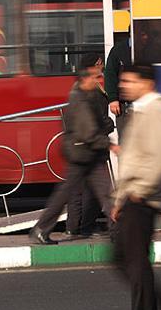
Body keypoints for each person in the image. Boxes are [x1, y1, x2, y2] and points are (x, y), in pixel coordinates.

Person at [111, 64, 161, 310]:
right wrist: (119, 198)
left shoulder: (157, 111)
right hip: (131, 196)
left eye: (129, 81)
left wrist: (139, 192)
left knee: (135, 264)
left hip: (142, 198)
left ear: (147, 83)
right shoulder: (140, 111)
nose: (123, 85)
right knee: (124, 259)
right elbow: (132, 159)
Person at [30, 56, 115, 245]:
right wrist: (110, 143)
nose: (97, 80)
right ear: (85, 79)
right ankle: (42, 228)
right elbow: (90, 131)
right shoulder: (81, 100)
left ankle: (117, 229)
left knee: (101, 192)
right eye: (94, 77)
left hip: (86, 153)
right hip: (84, 153)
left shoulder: (85, 95)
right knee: (77, 192)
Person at [66, 54, 113, 237]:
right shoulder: (89, 90)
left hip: (81, 146)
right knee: (92, 191)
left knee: (76, 190)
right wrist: (108, 124)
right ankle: (83, 227)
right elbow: (94, 120)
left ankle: (74, 227)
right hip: (90, 146)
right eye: (99, 63)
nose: (101, 67)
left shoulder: (81, 88)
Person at [104, 35, 132, 138]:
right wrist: (113, 99)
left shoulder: (149, 48)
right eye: (142, 34)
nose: (145, 37)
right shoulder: (118, 50)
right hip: (124, 104)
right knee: (125, 139)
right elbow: (110, 74)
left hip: (142, 102)